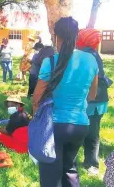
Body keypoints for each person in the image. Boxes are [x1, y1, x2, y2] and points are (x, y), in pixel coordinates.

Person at [33, 17, 99, 187]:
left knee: (51, 177)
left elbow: (37, 99)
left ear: (55, 36)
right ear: (77, 36)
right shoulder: (91, 60)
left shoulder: (50, 61)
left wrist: (36, 121)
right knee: (70, 170)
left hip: (53, 126)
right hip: (80, 126)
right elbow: (92, 96)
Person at [76, 29, 109, 176]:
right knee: (88, 132)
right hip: (96, 100)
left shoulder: (88, 54)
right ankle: (87, 162)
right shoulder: (91, 53)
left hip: (93, 101)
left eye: (79, 38)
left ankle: (92, 164)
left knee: (90, 134)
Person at [28, 32, 54, 98]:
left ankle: (31, 96)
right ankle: (30, 95)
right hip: (38, 73)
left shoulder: (41, 53)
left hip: (38, 74)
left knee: (34, 86)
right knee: (33, 86)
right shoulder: (49, 52)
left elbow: (35, 61)